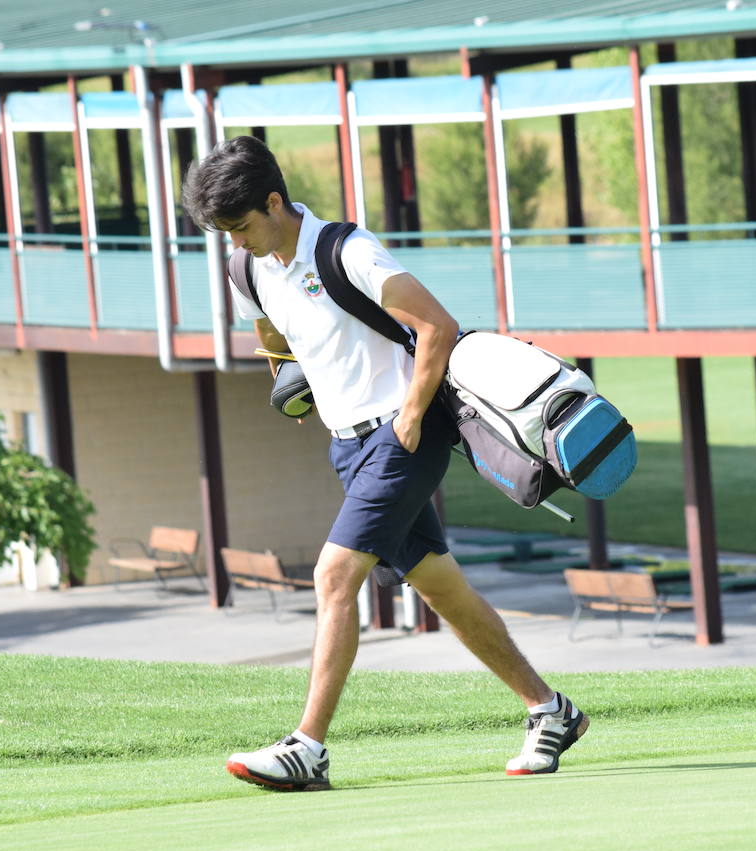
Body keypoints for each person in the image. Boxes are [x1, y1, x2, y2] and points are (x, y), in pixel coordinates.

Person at [181, 136, 586, 792]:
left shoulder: (348, 251)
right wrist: (288, 376)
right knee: (443, 590)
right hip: (347, 447)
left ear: (275, 202)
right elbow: (271, 332)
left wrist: (410, 417)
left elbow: (437, 327)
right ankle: (551, 711)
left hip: (405, 436)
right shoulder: (247, 270)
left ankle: (307, 747)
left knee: (334, 576)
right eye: (222, 233)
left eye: (241, 226)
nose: (235, 243)